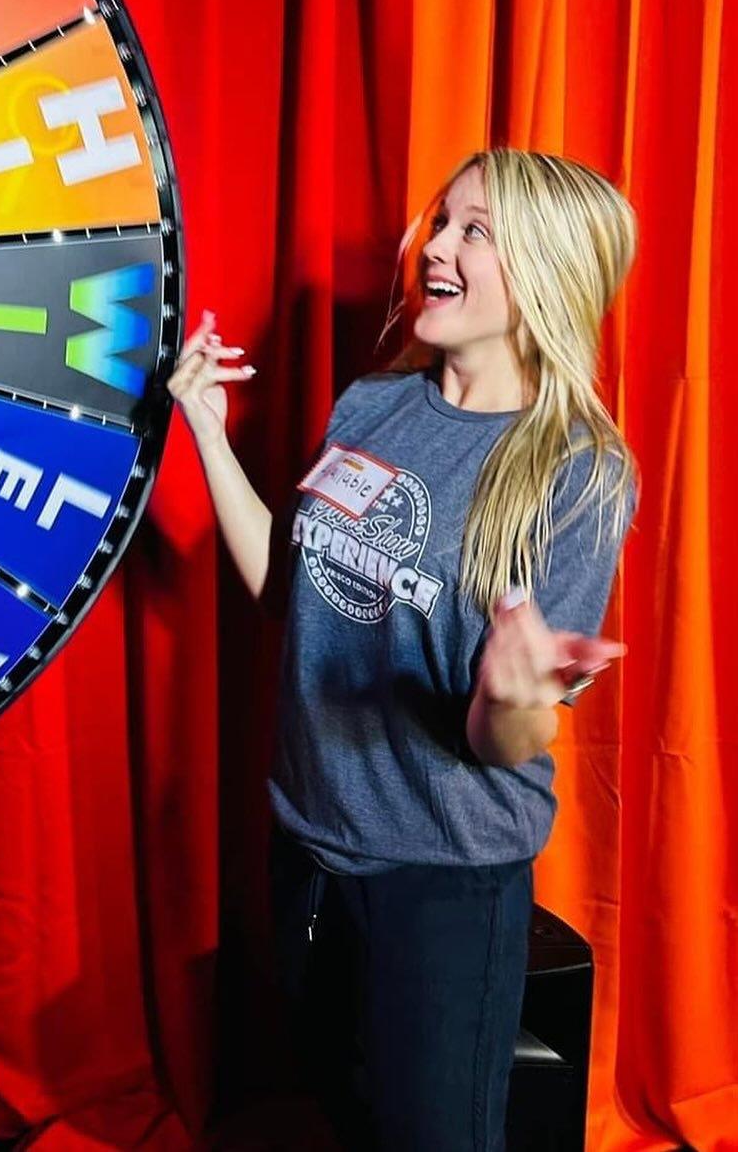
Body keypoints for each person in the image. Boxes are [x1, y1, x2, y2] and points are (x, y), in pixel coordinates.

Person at [168, 148, 638, 1151]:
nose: (437, 247)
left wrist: (513, 693)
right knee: (336, 1118)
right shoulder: (372, 404)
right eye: (442, 222)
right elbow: (288, 597)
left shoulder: (572, 470)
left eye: (475, 231)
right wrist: (206, 432)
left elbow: (504, 744)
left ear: (546, 271)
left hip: (436, 882)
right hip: (306, 845)